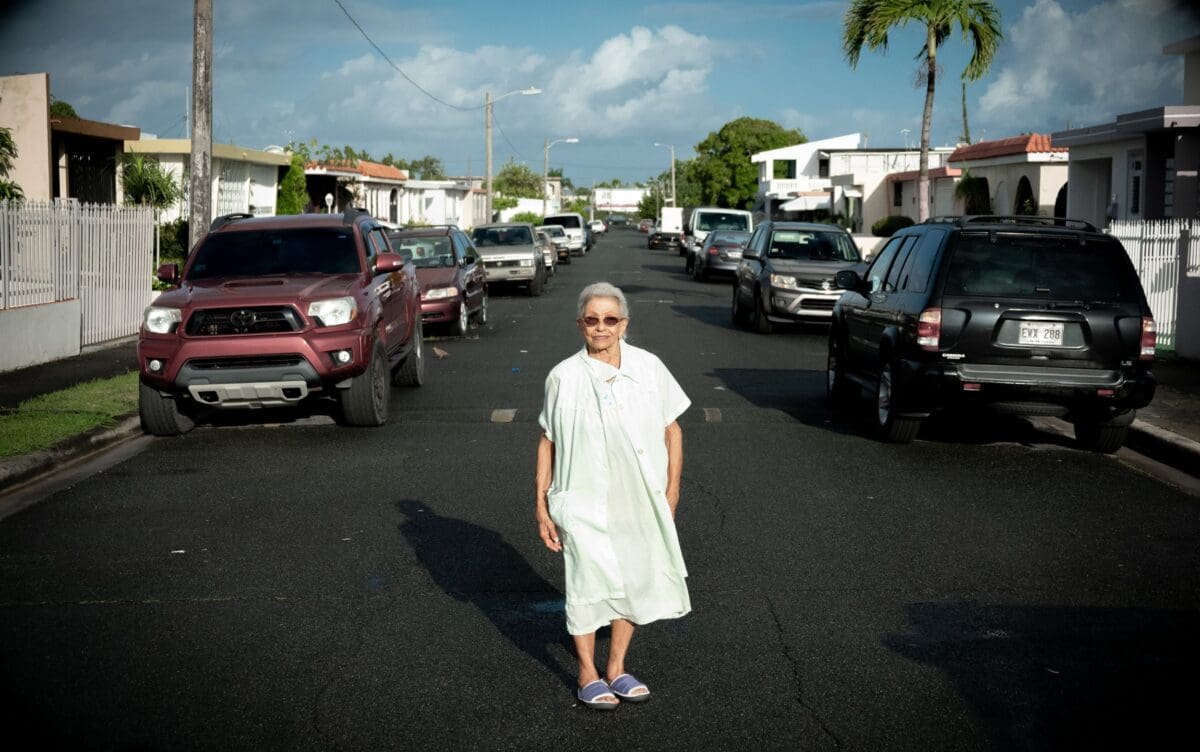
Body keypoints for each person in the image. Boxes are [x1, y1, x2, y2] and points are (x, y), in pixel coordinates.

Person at [535, 282, 691, 710]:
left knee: (630, 579)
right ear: (580, 324)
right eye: (592, 319)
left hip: (638, 497)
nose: (600, 327)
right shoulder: (563, 376)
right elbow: (547, 440)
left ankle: (616, 667)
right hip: (581, 496)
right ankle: (587, 671)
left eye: (609, 319)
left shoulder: (649, 367)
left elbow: (672, 430)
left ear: (623, 324)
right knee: (584, 580)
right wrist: (541, 503)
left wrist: (672, 490)